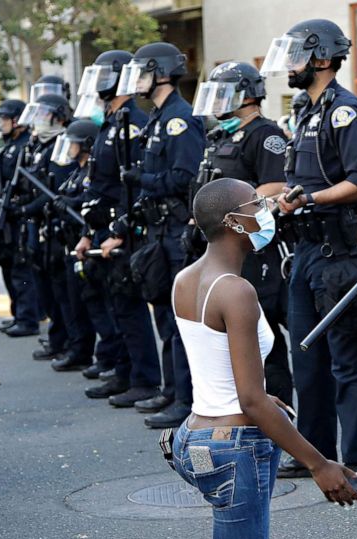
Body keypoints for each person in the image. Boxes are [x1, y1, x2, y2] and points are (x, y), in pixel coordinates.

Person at [51, 177, 357, 539]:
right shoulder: (236, 291)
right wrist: (321, 465)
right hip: (235, 449)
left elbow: (216, 366)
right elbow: (251, 401)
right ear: (235, 222)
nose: (267, 209)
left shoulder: (186, 278)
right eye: (257, 204)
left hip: (192, 437)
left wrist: (263, 401)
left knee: (240, 509)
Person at [259, 19, 357, 494]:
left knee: (347, 363)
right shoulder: (307, 112)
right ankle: (313, 453)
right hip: (308, 251)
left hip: (341, 253)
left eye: (297, 56)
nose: (290, 65)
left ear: (322, 59)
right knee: (306, 357)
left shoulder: (345, 112)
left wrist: (308, 200)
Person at [190, 61, 298, 484]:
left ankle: (280, 425)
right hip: (224, 245)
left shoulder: (264, 134)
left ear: (247, 94)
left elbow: (274, 185)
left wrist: (232, 204)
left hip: (253, 247)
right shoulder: (224, 134)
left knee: (264, 341)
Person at [103, 42, 205, 429]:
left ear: (159, 73)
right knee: (163, 314)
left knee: (181, 321)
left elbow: (186, 178)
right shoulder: (158, 118)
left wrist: (141, 178)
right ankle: (171, 388)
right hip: (157, 229)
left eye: (141, 72)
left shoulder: (180, 119)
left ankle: (187, 399)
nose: (136, 81)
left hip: (178, 230)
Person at [72, 49, 164, 403]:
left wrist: (120, 230)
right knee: (116, 306)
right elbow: (97, 185)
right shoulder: (109, 123)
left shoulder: (132, 123)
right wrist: (87, 233)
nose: (96, 86)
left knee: (129, 305)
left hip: (122, 229)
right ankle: (124, 373)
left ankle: (143, 379)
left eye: (101, 77)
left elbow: (137, 187)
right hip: (101, 229)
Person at [49, 118, 127, 375]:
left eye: (73, 142)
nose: (69, 147)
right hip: (79, 242)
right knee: (88, 301)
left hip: (97, 242)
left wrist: (72, 202)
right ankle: (103, 357)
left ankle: (110, 358)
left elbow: (93, 201)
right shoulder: (77, 172)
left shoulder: (91, 174)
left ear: (86, 144)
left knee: (104, 304)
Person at [17, 93, 79, 359]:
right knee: (48, 286)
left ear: (59, 116)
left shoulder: (64, 144)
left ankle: (71, 344)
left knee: (65, 291)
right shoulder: (39, 145)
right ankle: (58, 338)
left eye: (45, 115)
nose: (39, 121)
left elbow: (57, 189)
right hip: (40, 225)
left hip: (57, 226)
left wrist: (28, 208)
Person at [0, 99, 30, 335]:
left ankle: (27, 317)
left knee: (20, 268)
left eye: (4, 119)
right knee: (8, 265)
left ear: (17, 121)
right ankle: (18, 313)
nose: (0, 124)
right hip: (4, 215)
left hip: (17, 216)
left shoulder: (25, 145)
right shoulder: (9, 146)